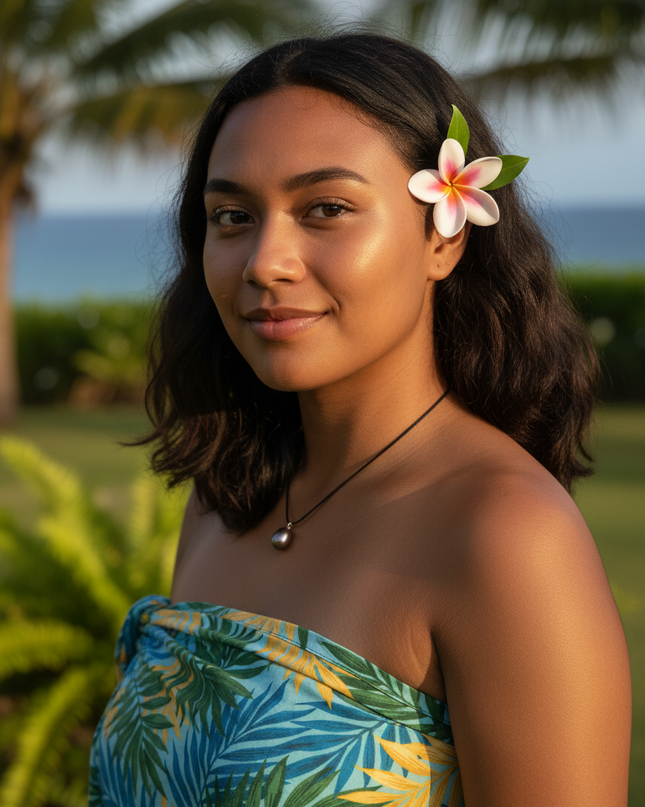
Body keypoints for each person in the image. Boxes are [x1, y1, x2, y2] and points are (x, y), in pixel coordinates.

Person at [89, 33, 632, 807]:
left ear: (442, 234)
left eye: (326, 208)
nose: (265, 262)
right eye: (233, 214)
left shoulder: (504, 535)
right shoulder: (225, 499)